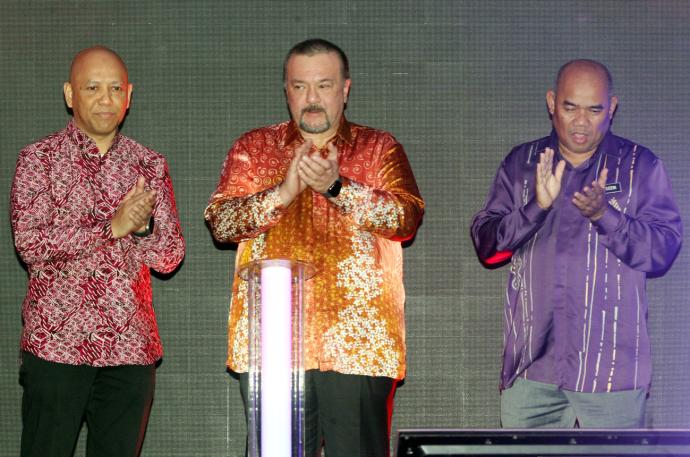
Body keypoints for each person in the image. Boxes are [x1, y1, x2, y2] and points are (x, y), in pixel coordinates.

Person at [205, 38, 424, 456]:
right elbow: (221, 223)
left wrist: (337, 187)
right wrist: (282, 194)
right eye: (300, 86)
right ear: (286, 90)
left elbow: (405, 217)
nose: (311, 98)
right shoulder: (254, 148)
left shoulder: (379, 147)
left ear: (345, 89)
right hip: (275, 342)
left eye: (323, 85)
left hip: (358, 344)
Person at [471, 59, 682, 428]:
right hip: (532, 370)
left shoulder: (640, 166)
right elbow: (488, 246)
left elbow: (662, 251)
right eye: (570, 108)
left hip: (611, 373)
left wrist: (605, 215)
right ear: (552, 102)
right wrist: (536, 207)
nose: (581, 121)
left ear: (611, 107)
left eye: (594, 110)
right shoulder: (522, 164)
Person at [10, 46, 185, 457]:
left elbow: (170, 256)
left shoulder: (149, 164)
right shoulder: (38, 159)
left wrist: (142, 229)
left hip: (130, 348)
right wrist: (111, 228)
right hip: (56, 345)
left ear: (129, 95)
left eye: (115, 89)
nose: (106, 99)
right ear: (70, 94)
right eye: (93, 88)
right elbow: (30, 242)